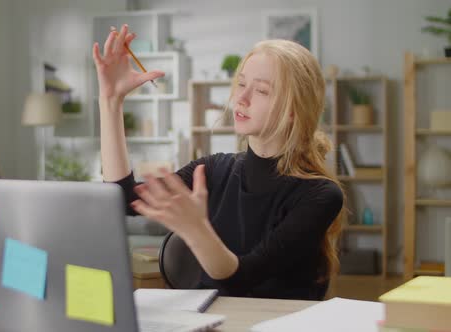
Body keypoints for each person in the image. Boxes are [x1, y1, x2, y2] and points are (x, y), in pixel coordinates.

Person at [92, 24, 345, 300]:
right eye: (241, 84)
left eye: (261, 91)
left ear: (294, 110)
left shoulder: (320, 195)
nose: (241, 99)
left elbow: (241, 281)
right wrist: (111, 101)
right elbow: (123, 199)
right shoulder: (212, 169)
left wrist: (196, 230)